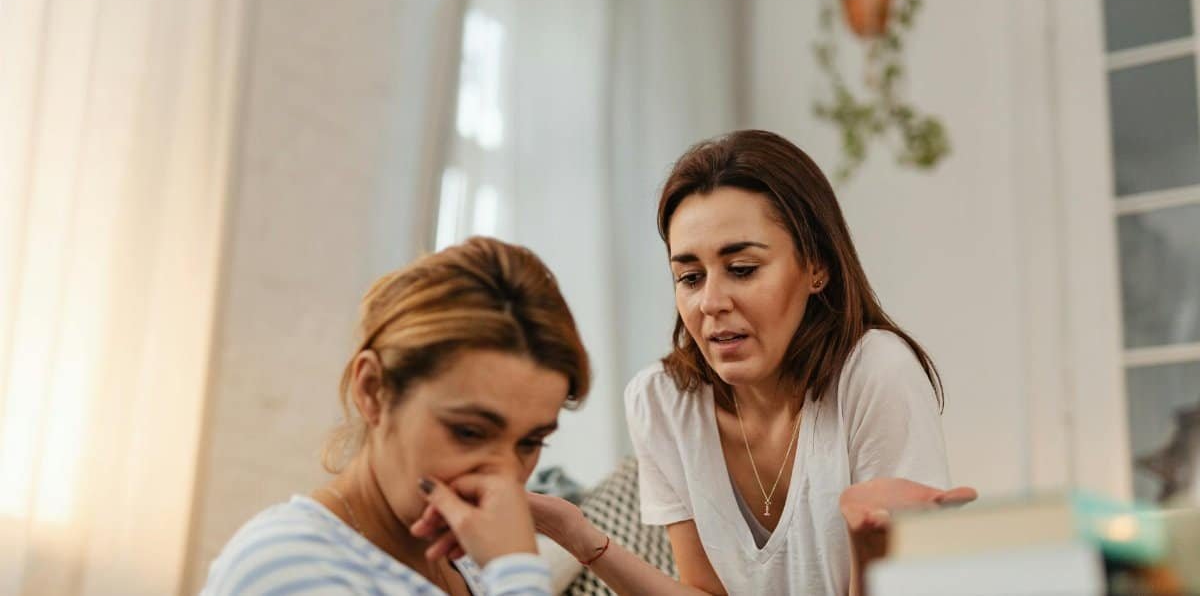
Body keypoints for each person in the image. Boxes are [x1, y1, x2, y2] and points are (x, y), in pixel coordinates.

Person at [416, 130, 974, 595]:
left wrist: (869, 546)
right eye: (689, 276)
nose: (710, 302)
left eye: (743, 268)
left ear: (816, 268)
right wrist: (577, 534)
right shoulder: (661, 400)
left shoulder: (875, 373)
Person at [201, 236, 592, 595]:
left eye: (530, 442)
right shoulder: (284, 568)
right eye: (469, 432)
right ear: (373, 389)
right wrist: (518, 572)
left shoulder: (464, 558)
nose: (504, 479)